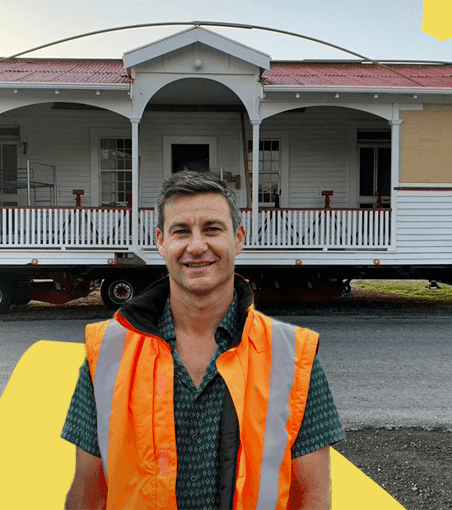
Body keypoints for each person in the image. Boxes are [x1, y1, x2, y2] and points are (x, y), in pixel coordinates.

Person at [62, 171, 345, 510]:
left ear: (238, 239)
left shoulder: (295, 357)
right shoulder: (105, 352)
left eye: (212, 229)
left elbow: (313, 497)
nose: (196, 246)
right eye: (181, 231)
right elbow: (87, 494)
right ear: (160, 241)